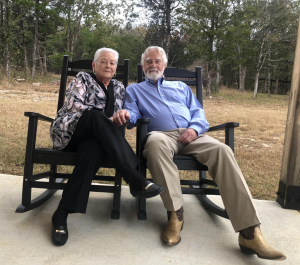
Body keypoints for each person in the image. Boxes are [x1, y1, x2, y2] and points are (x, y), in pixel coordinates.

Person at [112, 46, 286, 260]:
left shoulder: (181, 87)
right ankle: (175, 215)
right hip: (162, 136)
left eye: (157, 61)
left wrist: (194, 128)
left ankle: (250, 231)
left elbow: (198, 113)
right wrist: (126, 114)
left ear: (164, 65)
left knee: (222, 150)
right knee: (154, 143)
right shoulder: (134, 90)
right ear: (142, 66)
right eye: (148, 61)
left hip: (193, 135)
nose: (153, 65)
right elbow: (133, 113)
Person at [49, 47, 163, 246]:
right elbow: (74, 106)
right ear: (94, 65)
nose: (107, 66)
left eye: (111, 63)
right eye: (103, 61)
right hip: (71, 132)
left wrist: (123, 115)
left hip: (98, 141)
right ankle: (134, 176)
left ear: (116, 68)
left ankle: (61, 214)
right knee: (95, 116)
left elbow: (123, 113)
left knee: (93, 150)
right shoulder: (83, 78)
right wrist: (106, 119)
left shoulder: (120, 87)